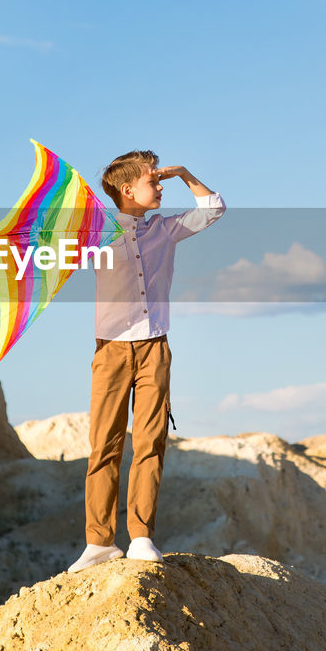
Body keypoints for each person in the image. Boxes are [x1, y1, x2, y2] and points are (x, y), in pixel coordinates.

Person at [67, 150, 225, 572]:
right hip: (110, 349)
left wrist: (186, 173)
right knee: (105, 445)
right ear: (126, 189)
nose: (160, 187)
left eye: (161, 181)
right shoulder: (96, 235)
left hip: (155, 346)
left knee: (150, 441)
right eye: (154, 181)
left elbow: (214, 208)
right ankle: (99, 542)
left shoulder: (165, 231)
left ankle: (141, 538)